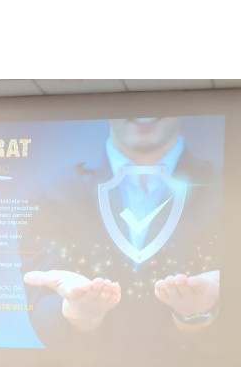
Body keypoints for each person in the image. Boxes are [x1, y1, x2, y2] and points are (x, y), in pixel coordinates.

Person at [21, 116, 222, 348]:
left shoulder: (228, 186)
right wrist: (78, 313)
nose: (145, 113)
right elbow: (44, 310)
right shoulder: (52, 191)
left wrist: (206, 308)